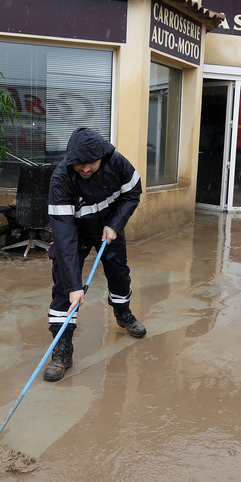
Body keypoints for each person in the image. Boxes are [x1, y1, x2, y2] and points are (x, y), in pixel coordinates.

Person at [43, 127, 147, 382]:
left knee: (120, 276)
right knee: (65, 288)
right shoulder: (61, 179)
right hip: (75, 235)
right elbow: (64, 235)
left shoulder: (117, 163)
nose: (85, 168)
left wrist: (116, 224)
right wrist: (74, 286)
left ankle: (123, 313)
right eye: (80, 164)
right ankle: (62, 348)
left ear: (102, 155)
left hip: (108, 229)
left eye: (91, 163)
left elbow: (133, 192)